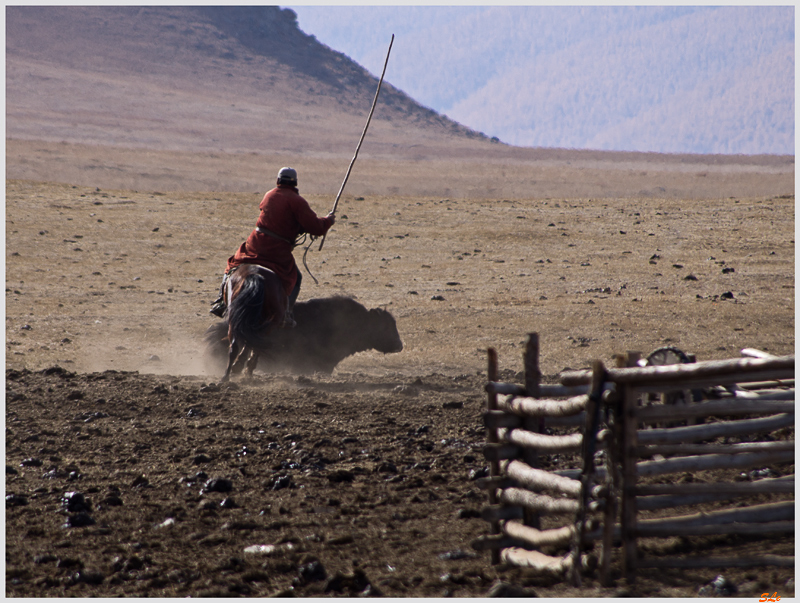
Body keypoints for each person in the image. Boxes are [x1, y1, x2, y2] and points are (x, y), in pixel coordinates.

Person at [210, 167, 335, 327]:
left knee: (233, 265)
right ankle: (286, 313)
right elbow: (316, 227)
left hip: (256, 244)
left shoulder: (269, 195)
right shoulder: (298, 201)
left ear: (278, 181)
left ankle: (221, 300)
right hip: (277, 251)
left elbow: (278, 219)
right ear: (295, 183)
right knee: (296, 277)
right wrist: (328, 221)